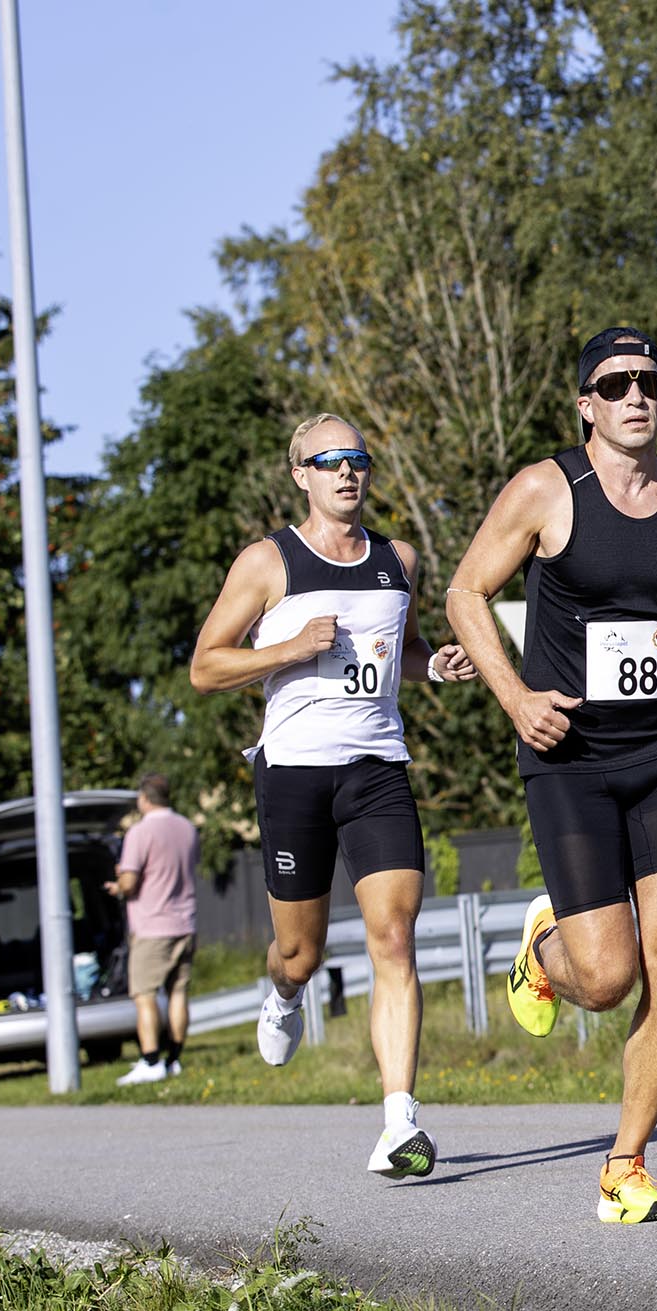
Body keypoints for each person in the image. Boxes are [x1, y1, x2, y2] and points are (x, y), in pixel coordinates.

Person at [445, 326, 657, 1223]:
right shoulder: (546, 489)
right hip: (569, 757)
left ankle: (624, 1163)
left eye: (650, 381)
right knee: (607, 978)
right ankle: (544, 953)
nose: (637, 395)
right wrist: (515, 698)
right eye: (617, 383)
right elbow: (463, 592)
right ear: (586, 405)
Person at [190, 413, 477, 1178]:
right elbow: (206, 667)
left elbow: (401, 655)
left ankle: (398, 1123)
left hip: (377, 767)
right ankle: (282, 991)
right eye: (330, 461)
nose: (348, 472)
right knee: (302, 949)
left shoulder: (398, 559)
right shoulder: (269, 562)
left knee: (394, 936)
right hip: (294, 773)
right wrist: (287, 648)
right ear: (300, 475)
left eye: (358, 459)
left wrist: (435, 668)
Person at [107, 773, 200, 1086]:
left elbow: (130, 882)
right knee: (178, 992)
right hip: (185, 922)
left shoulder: (140, 832)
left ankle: (150, 1061)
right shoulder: (187, 828)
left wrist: (118, 883)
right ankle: (174, 1059)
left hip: (152, 926)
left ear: (143, 798)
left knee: (144, 995)